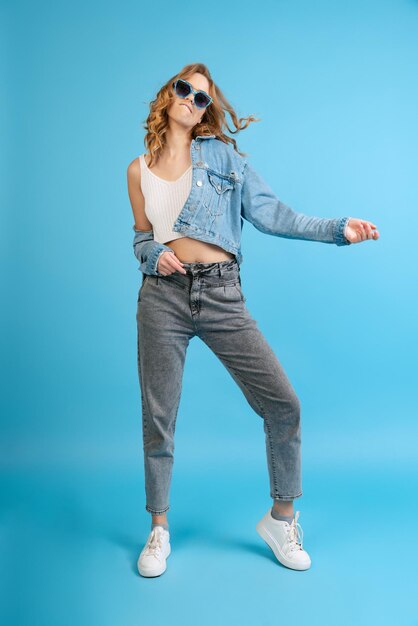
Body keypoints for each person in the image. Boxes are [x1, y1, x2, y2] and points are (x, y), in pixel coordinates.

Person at [127, 63, 380, 578]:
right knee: (159, 419)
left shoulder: (225, 158)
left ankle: (281, 518)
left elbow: (274, 215)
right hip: (161, 299)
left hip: (221, 293)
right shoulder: (137, 169)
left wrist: (338, 228)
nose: (191, 100)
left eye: (201, 98)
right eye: (184, 89)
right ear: (167, 94)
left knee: (283, 403)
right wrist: (153, 255)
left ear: (205, 113)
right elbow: (139, 238)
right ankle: (158, 529)